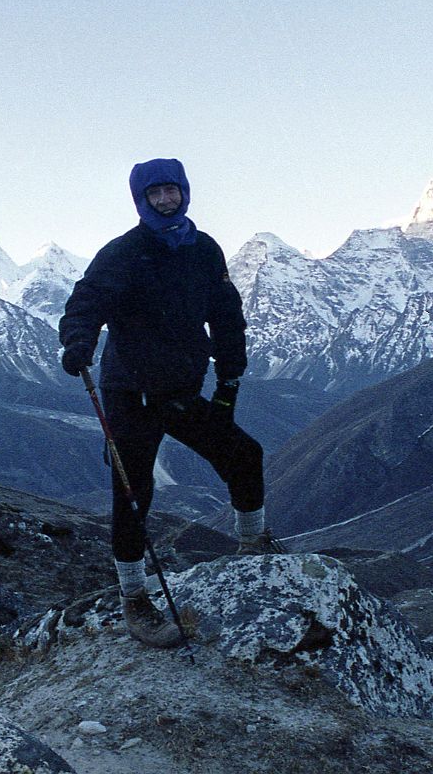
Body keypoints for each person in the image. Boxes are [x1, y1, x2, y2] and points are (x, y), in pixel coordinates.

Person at [58, 158, 285, 648]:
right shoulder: (123, 253)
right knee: (133, 493)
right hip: (130, 393)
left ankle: (253, 545)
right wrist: (77, 342)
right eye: (155, 193)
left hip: (180, 390)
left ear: (184, 192)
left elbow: (226, 314)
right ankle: (135, 599)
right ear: (141, 199)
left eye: (172, 190)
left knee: (243, 455)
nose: (165, 200)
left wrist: (230, 376)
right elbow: (86, 302)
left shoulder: (204, 250)